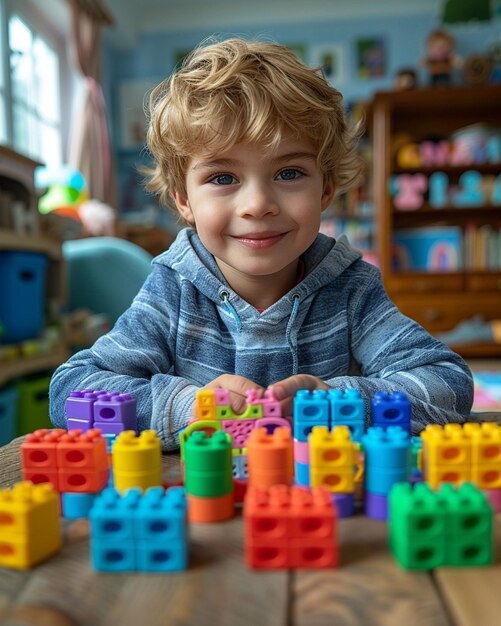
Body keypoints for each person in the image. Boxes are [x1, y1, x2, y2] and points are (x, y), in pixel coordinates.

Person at [49, 37, 473, 450]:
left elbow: (447, 383)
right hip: (201, 508)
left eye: (289, 173)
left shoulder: (352, 289)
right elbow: (70, 390)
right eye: (222, 178)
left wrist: (336, 402)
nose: (257, 205)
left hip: (327, 504)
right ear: (184, 199)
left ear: (326, 189)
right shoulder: (173, 291)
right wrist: (186, 407)